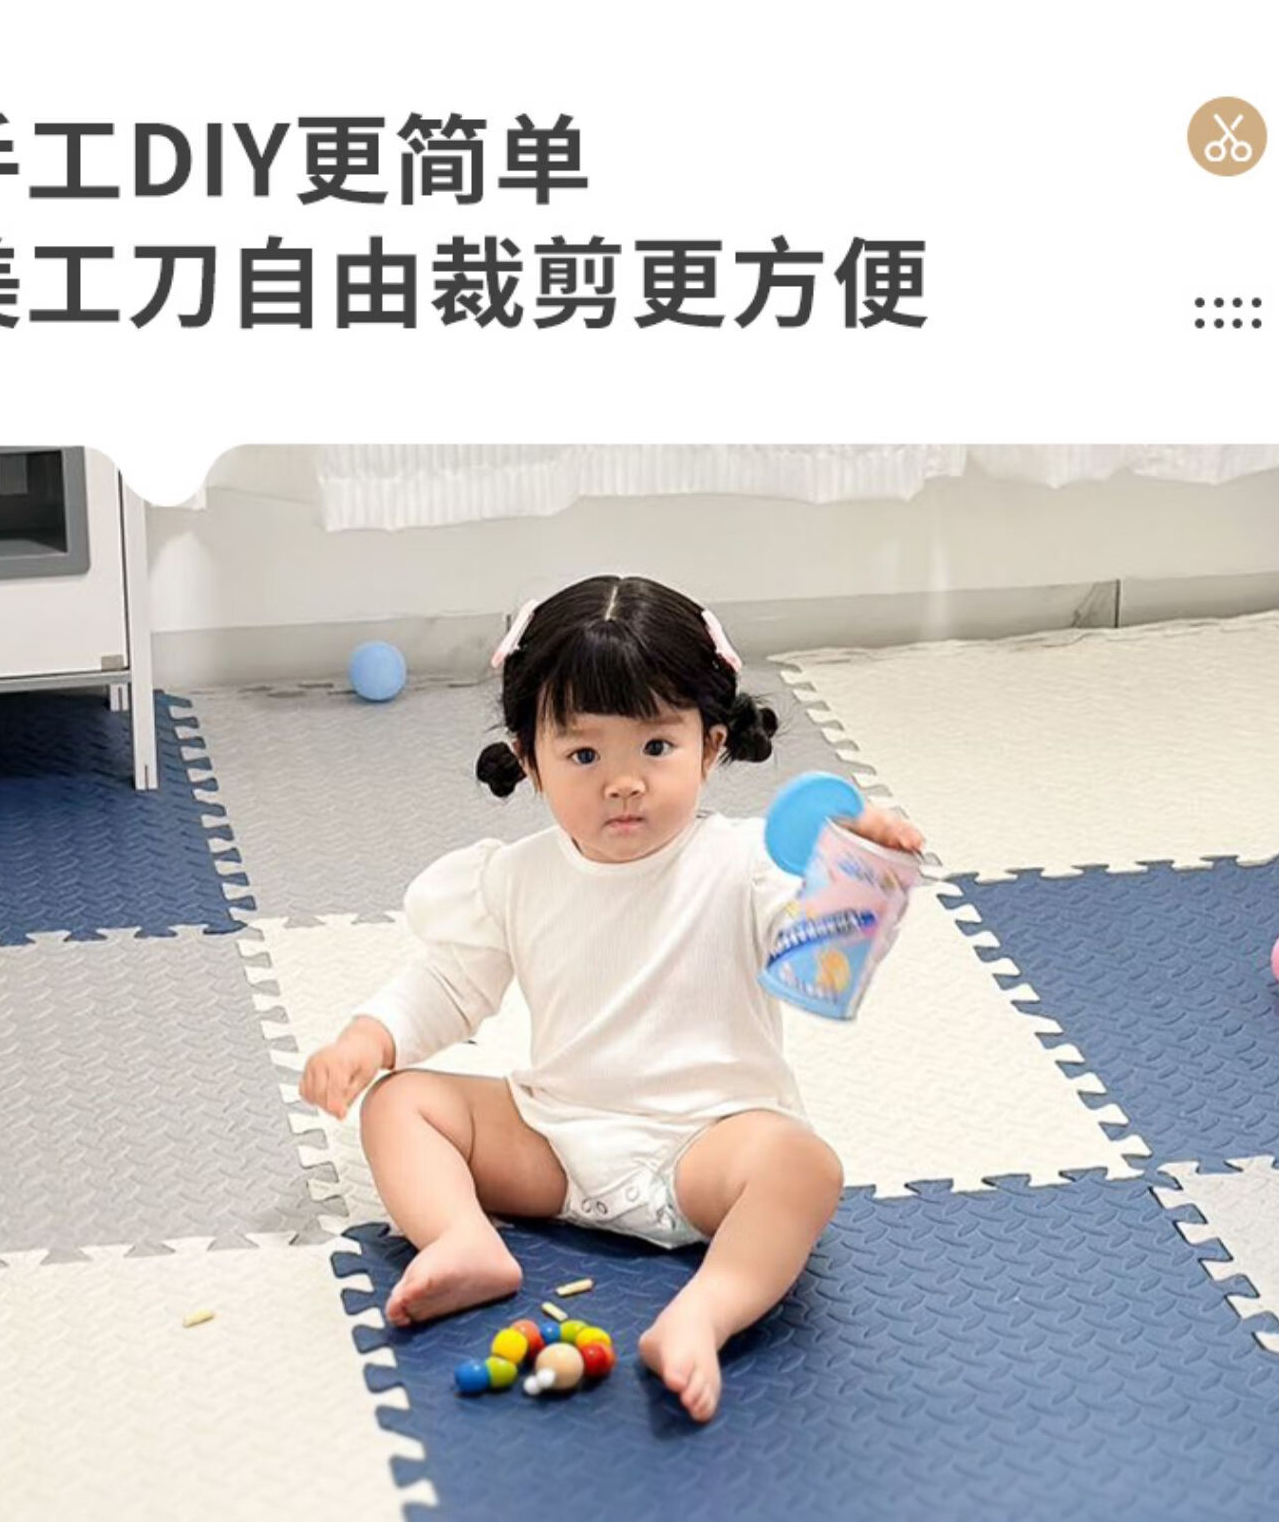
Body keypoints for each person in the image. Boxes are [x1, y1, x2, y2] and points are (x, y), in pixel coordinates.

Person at [300, 575, 923, 1421]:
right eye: (585, 756)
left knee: (805, 1167)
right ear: (530, 759)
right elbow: (448, 982)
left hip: (707, 1149)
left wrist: (864, 872)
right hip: (556, 1141)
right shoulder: (515, 877)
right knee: (398, 1103)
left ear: (711, 746)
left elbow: (819, 964)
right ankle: (462, 1240)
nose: (623, 782)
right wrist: (366, 1038)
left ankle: (705, 1311)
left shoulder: (746, 864)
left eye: (656, 747)